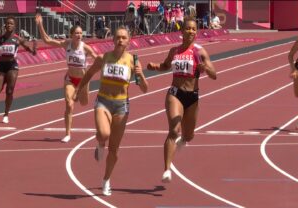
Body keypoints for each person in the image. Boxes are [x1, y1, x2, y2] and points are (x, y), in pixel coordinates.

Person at [76, 26, 148, 196]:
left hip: (121, 106)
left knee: (114, 150)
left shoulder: (133, 61)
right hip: (103, 101)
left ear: (129, 41)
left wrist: (141, 75)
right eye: (118, 37)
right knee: (103, 133)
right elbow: (89, 73)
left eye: (124, 37)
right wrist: (79, 90)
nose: (120, 40)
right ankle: (100, 143)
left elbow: (145, 88)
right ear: (113, 39)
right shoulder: (103, 58)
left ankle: (106, 180)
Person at [146, 17, 216, 183]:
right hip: (175, 94)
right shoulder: (174, 51)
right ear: (182, 31)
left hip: (192, 97)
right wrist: (155, 66)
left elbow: (214, 74)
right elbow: (165, 66)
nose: (190, 31)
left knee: (189, 135)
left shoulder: (200, 52)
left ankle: (184, 140)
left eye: (193, 29)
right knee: (173, 130)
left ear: (196, 32)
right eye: (188, 28)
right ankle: (167, 169)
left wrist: (204, 68)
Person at [35, 13, 97, 143]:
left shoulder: (85, 48)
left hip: (83, 80)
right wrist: (40, 24)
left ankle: (78, 94)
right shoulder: (66, 44)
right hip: (70, 79)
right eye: (77, 33)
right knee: (69, 105)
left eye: (81, 33)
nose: (79, 35)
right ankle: (68, 133)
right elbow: (47, 40)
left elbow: (98, 59)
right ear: (71, 35)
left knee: (84, 103)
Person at [0, 16, 37, 124]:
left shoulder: (17, 39)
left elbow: (27, 48)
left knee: (9, 91)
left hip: (12, 66)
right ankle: (3, 81)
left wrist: (33, 51)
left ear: (14, 26)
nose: (9, 25)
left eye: (11, 24)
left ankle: (6, 114)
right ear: (5, 25)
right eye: (7, 23)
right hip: (2, 66)